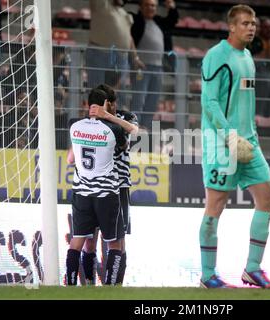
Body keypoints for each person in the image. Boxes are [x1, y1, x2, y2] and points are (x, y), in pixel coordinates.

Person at [199, 4, 270, 289]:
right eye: (245, 23)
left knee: (267, 199)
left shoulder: (248, 57)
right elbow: (209, 102)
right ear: (231, 26)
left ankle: (253, 269)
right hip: (221, 144)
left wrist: (250, 135)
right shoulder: (216, 56)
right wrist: (230, 135)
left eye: (253, 23)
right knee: (215, 206)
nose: (251, 27)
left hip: (249, 143)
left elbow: (246, 102)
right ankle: (208, 275)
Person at [65, 88, 127, 285]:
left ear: (87, 104)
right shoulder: (113, 129)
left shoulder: (74, 126)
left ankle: (73, 283)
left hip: (82, 191)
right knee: (114, 242)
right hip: (106, 192)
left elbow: (70, 159)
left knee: (79, 241)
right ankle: (109, 285)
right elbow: (127, 141)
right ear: (105, 106)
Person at [79, 84, 139, 285]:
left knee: (118, 241)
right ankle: (88, 282)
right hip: (91, 186)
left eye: (108, 105)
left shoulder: (125, 118)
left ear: (112, 105)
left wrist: (107, 116)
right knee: (90, 239)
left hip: (119, 186)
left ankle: (115, 285)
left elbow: (134, 133)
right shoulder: (87, 123)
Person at [130, 0, 179, 130]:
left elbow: (172, 21)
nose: (150, 8)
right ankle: (134, 128)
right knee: (139, 99)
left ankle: (145, 127)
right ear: (140, 6)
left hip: (158, 68)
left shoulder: (158, 22)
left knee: (153, 100)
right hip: (142, 67)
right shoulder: (135, 21)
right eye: (146, 5)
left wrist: (172, 8)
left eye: (153, 5)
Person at [87, 0, 144, 108]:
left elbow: (129, 37)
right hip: (99, 52)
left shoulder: (125, 14)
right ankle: (95, 118)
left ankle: (118, 118)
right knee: (97, 90)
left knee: (120, 92)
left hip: (122, 57)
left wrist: (135, 57)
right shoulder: (101, 4)